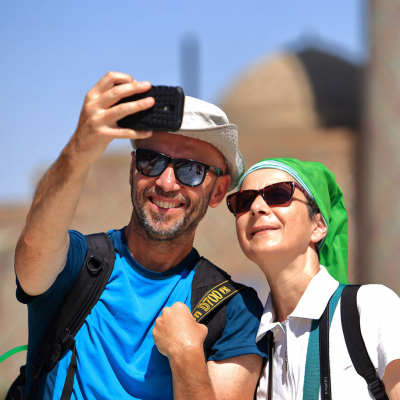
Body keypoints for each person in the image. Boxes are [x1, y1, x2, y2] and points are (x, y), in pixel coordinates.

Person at [14, 71, 265, 400]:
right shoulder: (76, 265)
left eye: (190, 169)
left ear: (218, 191)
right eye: (152, 161)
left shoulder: (234, 310)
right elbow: (34, 249)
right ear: (133, 170)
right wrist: (78, 152)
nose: (166, 182)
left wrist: (188, 356)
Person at [226, 157, 400, 399]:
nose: (256, 207)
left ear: (318, 225)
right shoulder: (252, 346)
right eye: (244, 201)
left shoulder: (371, 307)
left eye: (278, 194)